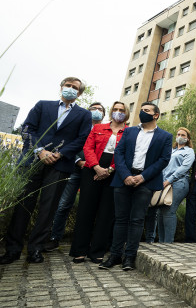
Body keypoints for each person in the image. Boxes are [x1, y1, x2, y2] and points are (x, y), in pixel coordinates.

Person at [0, 77, 92, 264]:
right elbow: (28, 129)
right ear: (61, 87)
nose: (70, 89)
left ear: (79, 94)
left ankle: (35, 248)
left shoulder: (83, 115)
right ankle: (13, 249)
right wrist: (40, 150)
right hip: (32, 161)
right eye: (68, 86)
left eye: (75, 88)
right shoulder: (43, 105)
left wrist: (60, 154)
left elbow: (81, 139)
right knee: (23, 204)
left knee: (48, 208)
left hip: (60, 165)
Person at [98, 102, 172, 271]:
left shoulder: (165, 136)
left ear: (156, 115)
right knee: (120, 219)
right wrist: (125, 175)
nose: (142, 113)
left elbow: (164, 160)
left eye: (146, 111)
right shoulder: (130, 131)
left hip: (146, 181)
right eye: (141, 110)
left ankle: (129, 257)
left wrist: (142, 176)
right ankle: (115, 255)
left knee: (137, 220)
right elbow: (119, 152)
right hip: (124, 178)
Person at [68, 102, 129, 263]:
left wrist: (109, 170)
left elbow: (128, 155)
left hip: (114, 173)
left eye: (121, 110)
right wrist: (96, 167)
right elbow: (88, 148)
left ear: (126, 113)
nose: (118, 112)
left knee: (106, 213)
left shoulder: (130, 132)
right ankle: (79, 250)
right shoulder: (98, 128)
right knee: (85, 210)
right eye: (115, 109)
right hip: (91, 170)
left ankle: (97, 251)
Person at [45, 102, 106, 252]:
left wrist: (95, 166)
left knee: (91, 206)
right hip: (75, 169)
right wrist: (79, 161)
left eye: (100, 110)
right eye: (93, 109)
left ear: (104, 114)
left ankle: (87, 240)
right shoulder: (80, 126)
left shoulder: (105, 130)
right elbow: (71, 145)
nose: (96, 111)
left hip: (96, 171)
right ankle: (54, 237)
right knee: (64, 204)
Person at [152, 127, 195, 243]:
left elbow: (184, 168)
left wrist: (170, 180)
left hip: (178, 183)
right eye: (178, 134)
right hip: (164, 183)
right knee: (160, 211)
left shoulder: (189, 151)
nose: (180, 137)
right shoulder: (171, 150)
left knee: (169, 210)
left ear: (187, 138)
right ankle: (162, 242)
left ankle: (168, 243)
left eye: (183, 135)